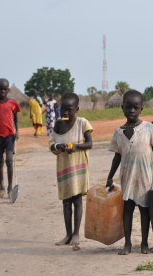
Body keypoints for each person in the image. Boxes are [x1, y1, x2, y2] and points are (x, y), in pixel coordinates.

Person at [106, 90, 153, 255]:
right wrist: (110, 176)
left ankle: (144, 243)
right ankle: (127, 244)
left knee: (144, 211)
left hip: (144, 178)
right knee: (127, 210)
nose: (132, 110)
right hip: (127, 177)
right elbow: (116, 157)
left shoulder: (149, 128)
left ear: (141, 109)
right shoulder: (119, 133)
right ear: (122, 108)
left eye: (136, 107)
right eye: (128, 107)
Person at [48, 92, 93, 246]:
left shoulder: (82, 123)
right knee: (66, 203)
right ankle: (67, 235)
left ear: (77, 109)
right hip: (64, 169)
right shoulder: (59, 125)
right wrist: (59, 146)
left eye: (70, 110)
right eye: (63, 109)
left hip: (78, 169)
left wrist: (75, 146)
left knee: (77, 201)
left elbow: (89, 144)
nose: (66, 113)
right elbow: (51, 143)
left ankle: (76, 234)